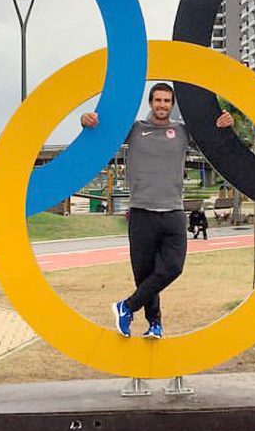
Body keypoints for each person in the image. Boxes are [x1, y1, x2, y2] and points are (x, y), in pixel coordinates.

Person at [81, 83, 232, 338]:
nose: (162, 105)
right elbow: (103, 132)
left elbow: (213, 137)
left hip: (173, 211)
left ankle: (126, 307)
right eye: (158, 100)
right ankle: (155, 324)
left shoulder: (183, 132)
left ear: (172, 105)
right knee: (144, 275)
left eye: (167, 101)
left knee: (173, 267)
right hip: (141, 213)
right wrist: (86, 121)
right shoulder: (135, 130)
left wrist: (226, 124)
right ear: (150, 103)